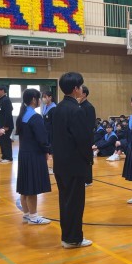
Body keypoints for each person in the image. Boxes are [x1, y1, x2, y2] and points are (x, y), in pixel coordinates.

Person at [53, 72, 93, 248]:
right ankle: (73, 239)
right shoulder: (76, 110)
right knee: (75, 203)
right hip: (74, 164)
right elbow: (83, 139)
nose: (82, 88)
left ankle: (67, 236)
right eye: (80, 86)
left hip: (60, 163)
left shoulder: (58, 108)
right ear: (76, 89)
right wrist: (88, 159)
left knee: (65, 201)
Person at [16, 89, 51, 225]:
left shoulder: (22, 115)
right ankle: (34, 217)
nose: (41, 100)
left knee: (25, 185)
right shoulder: (35, 117)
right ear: (33, 100)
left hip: (24, 154)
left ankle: (27, 214)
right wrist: (47, 150)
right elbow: (42, 138)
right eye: (39, 98)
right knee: (32, 187)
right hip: (34, 155)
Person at [79, 86, 96, 187]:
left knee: (87, 158)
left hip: (87, 137)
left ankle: (88, 180)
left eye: (80, 92)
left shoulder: (89, 107)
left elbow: (90, 125)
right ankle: (81, 178)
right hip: (79, 137)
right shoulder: (78, 106)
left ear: (84, 94)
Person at [0, 85, 13, 163]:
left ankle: (8, 157)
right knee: (2, 141)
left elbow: (8, 114)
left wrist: (6, 126)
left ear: (2, 91)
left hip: (6, 126)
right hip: (1, 125)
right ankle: (4, 156)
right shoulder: (1, 100)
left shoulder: (6, 100)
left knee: (6, 141)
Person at [41, 91, 56, 174]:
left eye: (45, 96)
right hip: (45, 133)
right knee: (46, 150)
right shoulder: (44, 107)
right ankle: (45, 168)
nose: (43, 98)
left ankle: (55, 168)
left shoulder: (54, 108)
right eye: (43, 97)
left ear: (50, 97)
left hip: (52, 133)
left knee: (53, 151)